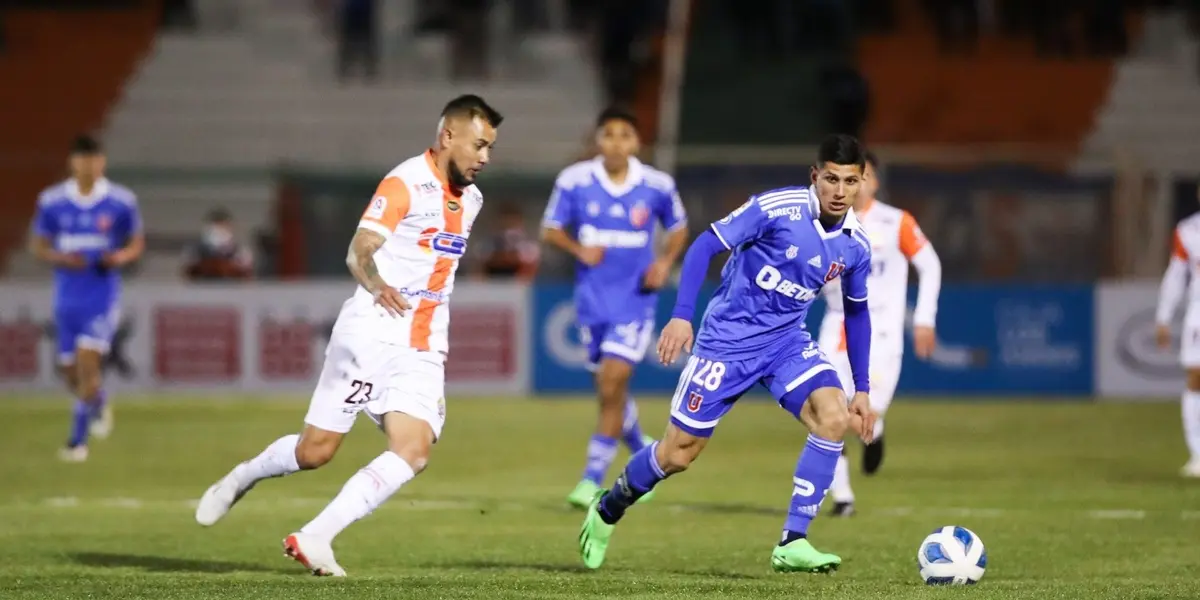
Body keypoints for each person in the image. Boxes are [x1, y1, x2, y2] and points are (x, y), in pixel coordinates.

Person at [194, 95, 503, 576]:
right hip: (371, 334)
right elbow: (359, 251)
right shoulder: (405, 183)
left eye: (490, 149)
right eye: (479, 145)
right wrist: (378, 285)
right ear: (448, 136)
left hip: (423, 346)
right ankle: (243, 476)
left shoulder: (473, 200)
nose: (485, 158)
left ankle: (316, 536)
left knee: (414, 450)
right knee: (314, 452)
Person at [577, 134, 877, 573]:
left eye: (850, 181)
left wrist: (862, 387)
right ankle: (608, 509)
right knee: (678, 454)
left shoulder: (856, 245)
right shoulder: (777, 209)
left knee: (833, 416)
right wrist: (682, 316)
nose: (839, 190)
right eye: (831, 179)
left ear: (861, 182)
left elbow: (857, 312)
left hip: (786, 343)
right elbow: (704, 245)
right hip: (726, 343)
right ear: (815, 176)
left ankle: (793, 541)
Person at [541, 107, 689, 509]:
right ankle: (643, 451)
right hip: (592, 303)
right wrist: (578, 249)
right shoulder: (574, 180)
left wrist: (664, 262)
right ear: (597, 140)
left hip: (635, 302)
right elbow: (549, 229)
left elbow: (678, 228)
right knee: (610, 391)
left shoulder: (656, 185)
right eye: (609, 135)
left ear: (637, 142)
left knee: (611, 385)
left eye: (625, 135)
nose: (617, 143)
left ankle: (590, 480)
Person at [818, 151, 942, 516]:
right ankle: (843, 498)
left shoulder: (895, 221)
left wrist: (925, 318)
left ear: (873, 182)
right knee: (827, 411)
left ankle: (877, 429)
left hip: (881, 332)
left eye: (863, 177)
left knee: (862, 417)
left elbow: (929, 264)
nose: (854, 186)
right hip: (837, 327)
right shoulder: (823, 223)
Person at [29, 135, 144, 462]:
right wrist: (62, 258)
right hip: (67, 300)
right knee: (71, 373)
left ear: (102, 162)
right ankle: (98, 402)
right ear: (73, 162)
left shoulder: (121, 201)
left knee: (87, 362)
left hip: (101, 298)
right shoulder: (52, 201)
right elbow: (38, 246)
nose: (89, 166)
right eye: (83, 159)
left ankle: (76, 443)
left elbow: (135, 243)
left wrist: (118, 258)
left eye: (95, 159)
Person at [1155, 184, 1200, 478]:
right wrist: (1164, 316)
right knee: (1196, 377)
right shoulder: (1188, 230)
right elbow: (1176, 274)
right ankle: (1198, 455)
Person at [182, 207, 255, 280]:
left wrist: (227, 268)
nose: (219, 231)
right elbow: (187, 273)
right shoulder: (195, 251)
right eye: (216, 226)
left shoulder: (240, 251)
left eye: (222, 226)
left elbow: (247, 274)